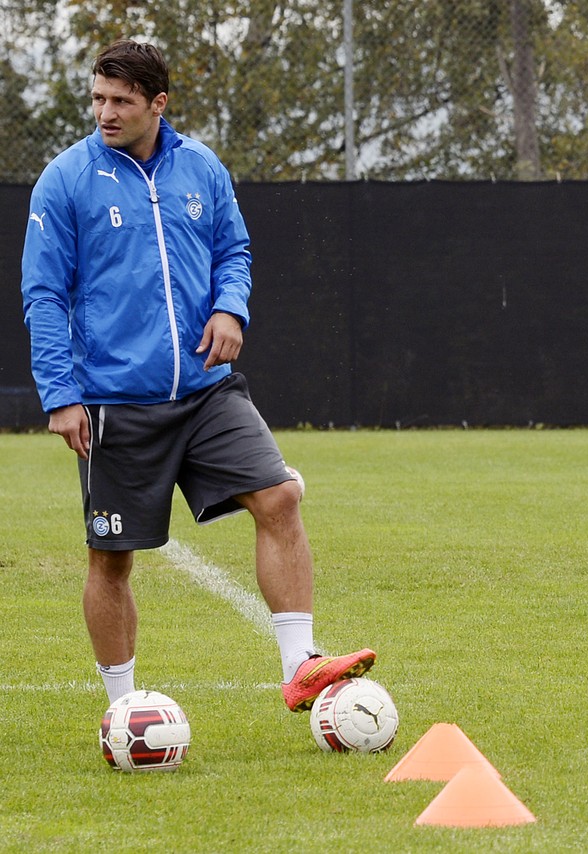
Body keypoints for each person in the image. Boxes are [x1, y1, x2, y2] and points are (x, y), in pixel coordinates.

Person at [20, 40, 375, 712]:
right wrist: (61, 395)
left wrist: (229, 308)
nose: (105, 112)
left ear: (159, 103)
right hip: (114, 404)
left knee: (280, 498)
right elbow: (43, 294)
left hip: (208, 390)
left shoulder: (203, 168)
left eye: (121, 101)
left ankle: (301, 663)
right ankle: (123, 705)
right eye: (98, 98)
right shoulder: (65, 180)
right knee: (112, 560)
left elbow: (232, 251)